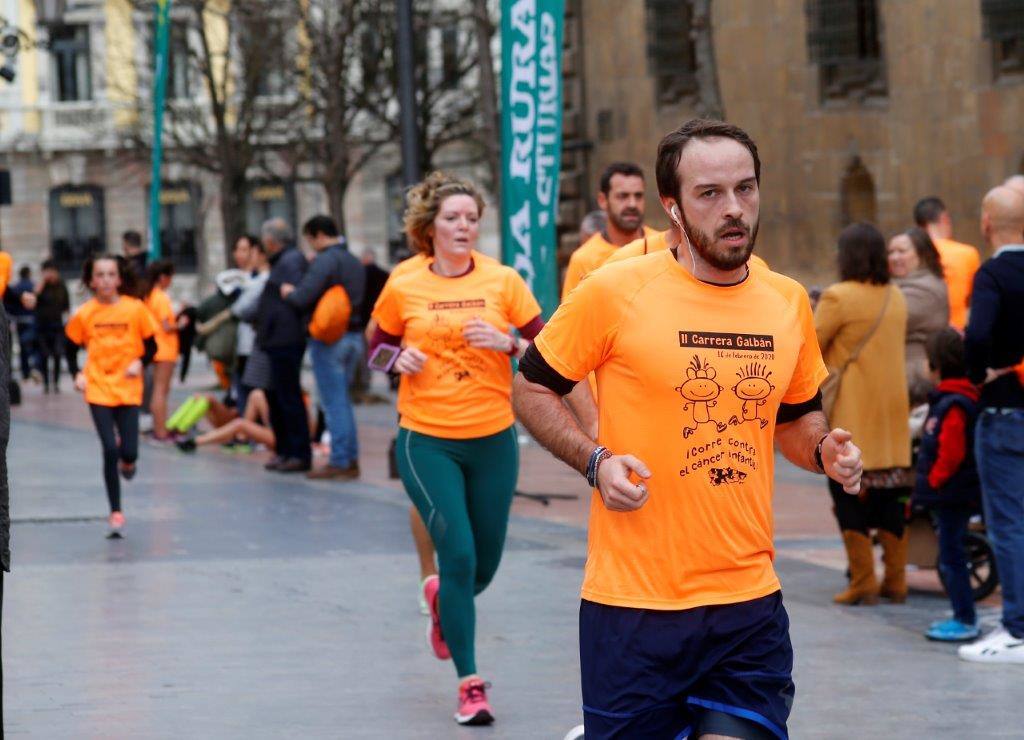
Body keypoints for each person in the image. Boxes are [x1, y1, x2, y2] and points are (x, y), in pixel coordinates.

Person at [513, 119, 863, 739]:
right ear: (672, 207)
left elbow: (794, 418)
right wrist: (594, 460)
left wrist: (823, 449)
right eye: (710, 193)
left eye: (746, 189)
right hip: (633, 608)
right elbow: (532, 383)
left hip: (747, 602)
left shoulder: (786, 301)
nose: (734, 209)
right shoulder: (614, 290)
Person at [369, 171, 544, 726]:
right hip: (426, 439)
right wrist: (396, 361)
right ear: (430, 227)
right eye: (453, 218)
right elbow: (372, 347)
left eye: (472, 218)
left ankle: (445, 602)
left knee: (482, 565)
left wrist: (511, 342)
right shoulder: (404, 283)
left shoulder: (503, 281)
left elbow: (549, 346)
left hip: (493, 435)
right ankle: (470, 685)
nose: (464, 226)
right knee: (460, 556)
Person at [816, 223, 910, 606]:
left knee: (848, 493)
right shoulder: (895, 296)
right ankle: (897, 582)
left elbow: (811, 341)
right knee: (890, 497)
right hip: (892, 415)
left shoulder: (839, 297)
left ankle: (864, 580)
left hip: (853, 412)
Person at [958, 185, 1024, 664]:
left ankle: (1017, 628)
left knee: (1008, 522)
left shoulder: (994, 274)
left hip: (1004, 412)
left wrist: (979, 371)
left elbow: (977, 332)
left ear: (987, 223)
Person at [65, 255, 158, 536]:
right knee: (109, 448)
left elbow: (152, 346)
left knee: (128, 451)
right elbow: (69, 347)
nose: (105, 280)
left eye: (110, 274)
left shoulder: (135, 309)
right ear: (92, 281)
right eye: (100, 275)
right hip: (99, 388)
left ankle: (127, 461)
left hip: (128, 388)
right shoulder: (85, 313)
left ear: (119, 279)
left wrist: (140, 362)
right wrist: (77, 374)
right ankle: (115, 511)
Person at [282, 215, 365, 480]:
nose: (310, 246)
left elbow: (303, 296)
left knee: (333, 402)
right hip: (354, 336)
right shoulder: (353, 260)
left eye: (310, 240)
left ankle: (340, 460)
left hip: (330, 339)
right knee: (344, 401)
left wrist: (288, 293)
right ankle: (349, 458)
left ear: (318, 235)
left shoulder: (326, 260)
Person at [913, 328, 982, 642]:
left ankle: (964, 618)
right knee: (952, 554)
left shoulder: (953, 404)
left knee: (952, 557)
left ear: (935, 365)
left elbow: (951, 454)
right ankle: (961, 612)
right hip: (951, 492)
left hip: (951, 494)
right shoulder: (953, 399)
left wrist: (934, 483)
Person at [254, 218, 310, 473]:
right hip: (276, 340)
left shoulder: (290, 261)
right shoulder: (285, 262)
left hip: (285, 340)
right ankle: (286, 450)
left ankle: (297, 453)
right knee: (276, 395)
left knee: (287, 397)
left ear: (270, 242)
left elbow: (291, 300)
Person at [561, 162, 649, 300]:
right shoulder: (584, 260)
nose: (632, 204)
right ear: (603, 200)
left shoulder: (665, 245)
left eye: (638, 196)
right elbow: (573, 319)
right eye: (622, 196)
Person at [887, 227, 949, 406]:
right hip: (900, 375)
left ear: (922, 254)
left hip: (916, 381)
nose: (894, 257)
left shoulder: (927, 289)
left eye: (902, 251)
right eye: (890, 252)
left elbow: (886, 317)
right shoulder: (898, 285)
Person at [913, 197, 981, 332]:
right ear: (945, 218)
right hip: (960, 331)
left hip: (926, 332)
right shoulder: (968, 253)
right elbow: (976, 298)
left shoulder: (914, 255)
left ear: (918, 227)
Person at [142, 260, 185, 441]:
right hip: (165, 349)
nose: (171, 282)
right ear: (162, 277)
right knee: (161, 391)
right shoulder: (161, 297)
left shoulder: (149, 295)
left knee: (157, 391)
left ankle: (158, 427)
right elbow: (166, 326)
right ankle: (161, 431)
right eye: (170, 277)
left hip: (156, 348)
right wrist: (180, 324)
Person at [34, 260, 69, 394]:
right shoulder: (41, 286)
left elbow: (66, 305)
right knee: (44, 355)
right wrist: (42, 282)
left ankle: (56, 383)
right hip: (42, 326)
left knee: (57, 355)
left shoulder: (61, 286)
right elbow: (33, 298)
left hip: (57, 326)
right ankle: (46, 384)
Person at [6, 266, 39, 383]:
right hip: (31, 319)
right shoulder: (34, 286)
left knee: (23, 347)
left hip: (20, 320)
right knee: (34, 345)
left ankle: (25, 373)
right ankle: (35, 367)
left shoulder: (16, 287)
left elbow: (9, 306)